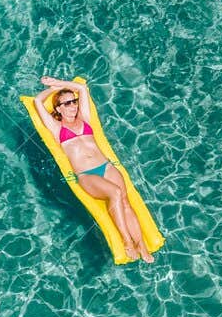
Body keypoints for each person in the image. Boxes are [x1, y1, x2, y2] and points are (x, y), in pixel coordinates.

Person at [33, 76, 153, 262]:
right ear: (58, 109)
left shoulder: (85, 119)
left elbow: (82, 88)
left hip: (106, 167)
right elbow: (37, 101)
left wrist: (61, 83)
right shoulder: (57, 129)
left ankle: (142, 245)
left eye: (74, 102)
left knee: (125, 201)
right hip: (87, 175)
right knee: (115, 192)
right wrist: (53, 88)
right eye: (67, 103)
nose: (73, 106)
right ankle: (127, 241)